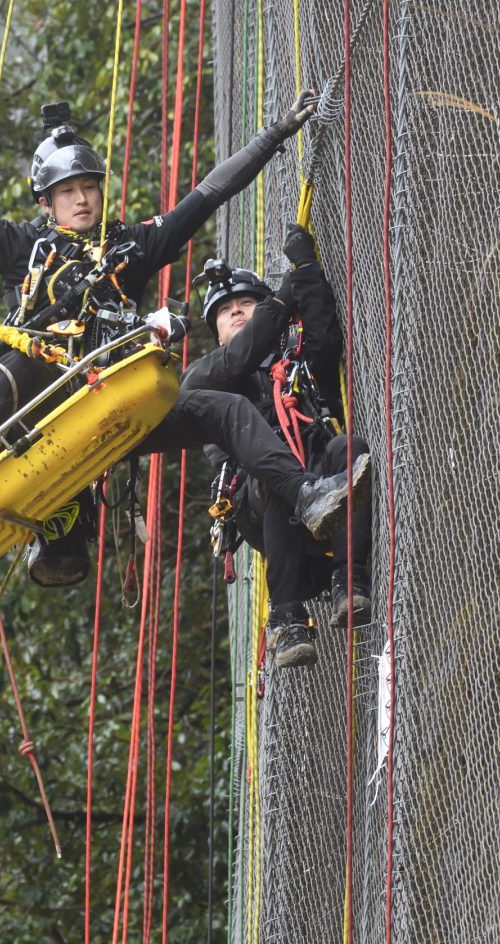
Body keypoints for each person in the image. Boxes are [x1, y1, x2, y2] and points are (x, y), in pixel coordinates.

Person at [0, 94, 367, 588]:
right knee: (22, 358)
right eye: (68, 191)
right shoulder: (21, 247)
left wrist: (274, 135)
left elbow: (208, 194)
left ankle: (306, 496)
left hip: (116, 401)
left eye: (89, 187)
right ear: (46, 200)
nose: (81, 198)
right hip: (45, 402)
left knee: (224, 410)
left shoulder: (130, 246)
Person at [184, 224, 372, 667]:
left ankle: (350, 581)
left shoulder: (294, 360)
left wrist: (305, 271)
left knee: (351, 449)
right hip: (263, 501)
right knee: (272, 477)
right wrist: (281, 299)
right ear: (216, 331)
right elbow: (239, 357)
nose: (237, 313)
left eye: (246, 303)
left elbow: (325, 337)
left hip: (319, 476)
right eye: (226, 310)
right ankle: (287, 620)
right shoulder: (208, 378)